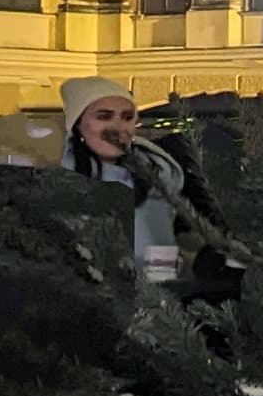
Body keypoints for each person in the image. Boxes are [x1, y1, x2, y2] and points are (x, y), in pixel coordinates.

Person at [60, 76, 213, 291]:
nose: (118, 127)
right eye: (104, 116)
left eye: (127, 117)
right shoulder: (59, 179)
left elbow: (163, 247)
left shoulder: (158, 175)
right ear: (78, 124)